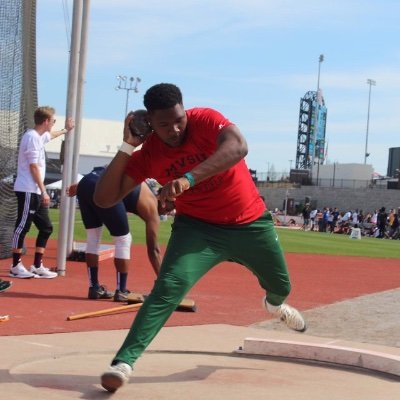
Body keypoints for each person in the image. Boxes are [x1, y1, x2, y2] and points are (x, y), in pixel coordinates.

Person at [94, 83, 306, 393]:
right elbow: (104, 197)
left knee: (282, 286)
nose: (175, 129)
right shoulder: (148, 154)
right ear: (150, 122)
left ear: (184, 109)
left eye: (178, 119)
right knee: (167, 289)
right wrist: (128, 146)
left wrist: (188, 178)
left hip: (250, 223)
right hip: (198, 230)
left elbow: (238, 146)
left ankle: (274, 304)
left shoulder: (205, 120)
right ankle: (123, 363)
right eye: (164, 125)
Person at [67, 165, 167, 302]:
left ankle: (94, 288)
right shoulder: (152, 207)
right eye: (171, 208)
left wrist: (83, 183)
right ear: (163, 201)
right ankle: (121, 291)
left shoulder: (143, 184)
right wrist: (165, 283)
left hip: (86, 182)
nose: (168, 212)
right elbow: (154, 250)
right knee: (124, 240)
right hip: (104, 187)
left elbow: (114, 167)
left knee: (93, 238)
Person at [10, 106, 74, 279]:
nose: (54, 123)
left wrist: (66, 130)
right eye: (53, 121)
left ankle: (37, 265)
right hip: (28, 189)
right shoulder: (31, 137)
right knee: (22, 226)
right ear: (46, 121)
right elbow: (33, 167)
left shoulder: (38, 137)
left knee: (46, 227)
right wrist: (44, 191)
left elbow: (50, 136)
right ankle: (15, 265)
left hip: (36, 191)